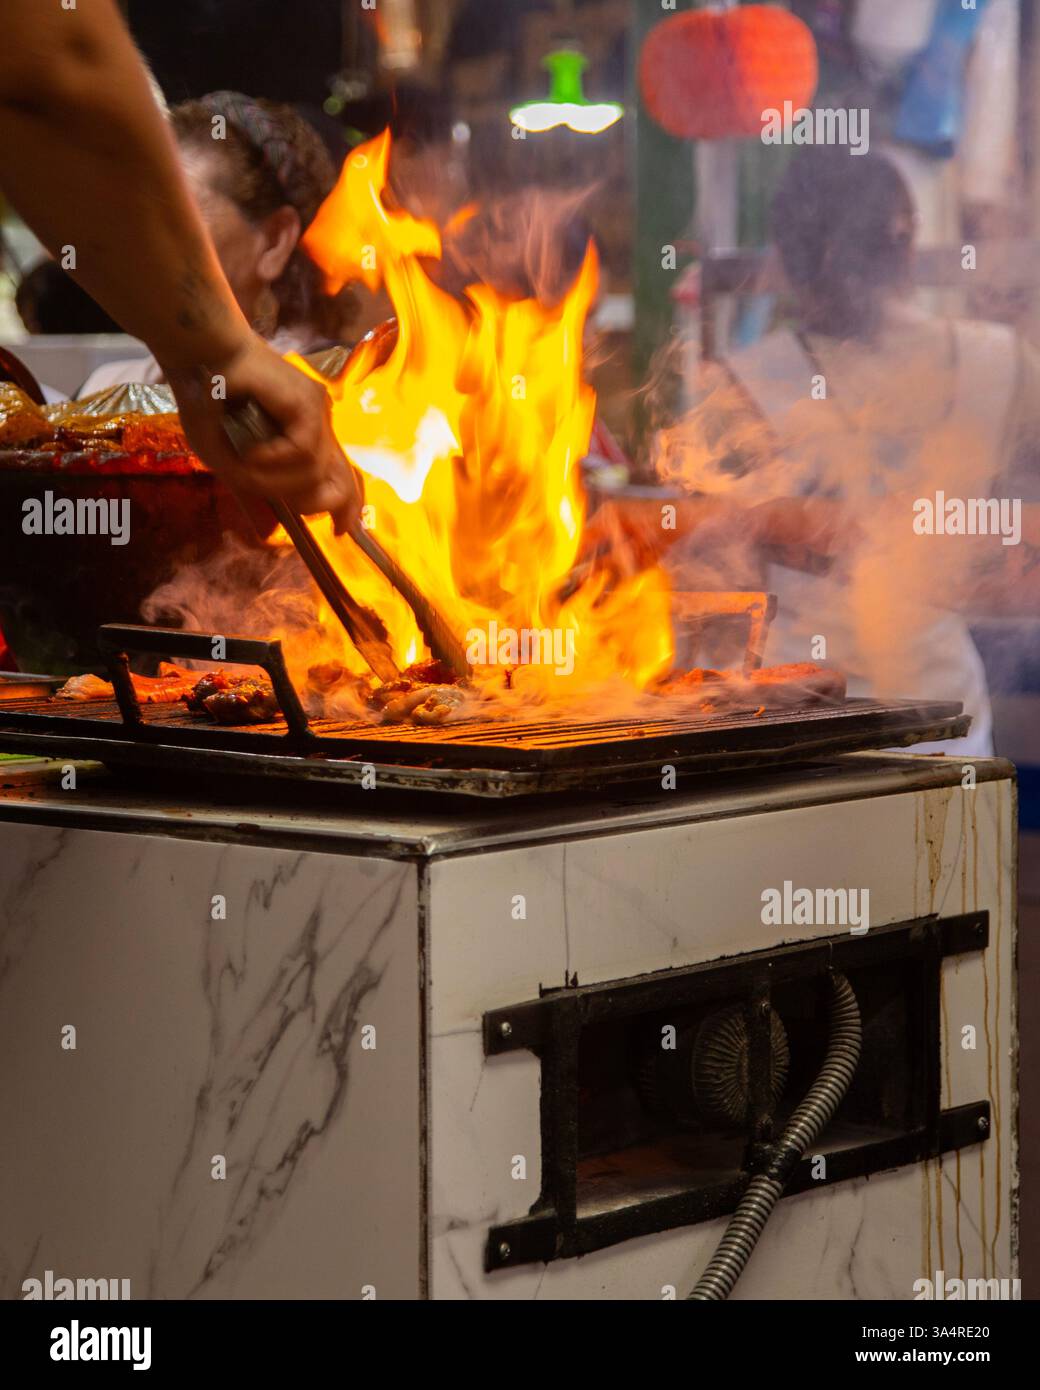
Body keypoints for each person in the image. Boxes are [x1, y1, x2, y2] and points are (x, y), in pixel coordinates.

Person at [657, 145, 1040, 756]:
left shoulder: (744, 380)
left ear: (791, 262)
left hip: (796, 728)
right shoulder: (1004, 362)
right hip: (946, 720)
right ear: (906, 247)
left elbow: (713, 580)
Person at [0, 0, 358, 529]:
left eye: (187, 216)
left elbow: (58, 68)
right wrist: (221, 356)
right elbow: (54, 64)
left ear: (278, 239)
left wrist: (217, 359)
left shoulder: (357, 398)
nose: (131, 240)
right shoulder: (124, 384)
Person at [80, 91, 355, 393]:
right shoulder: (107, 389)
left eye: (176, 218)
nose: (140, 244)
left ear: (275, 241)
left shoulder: (346, 396)